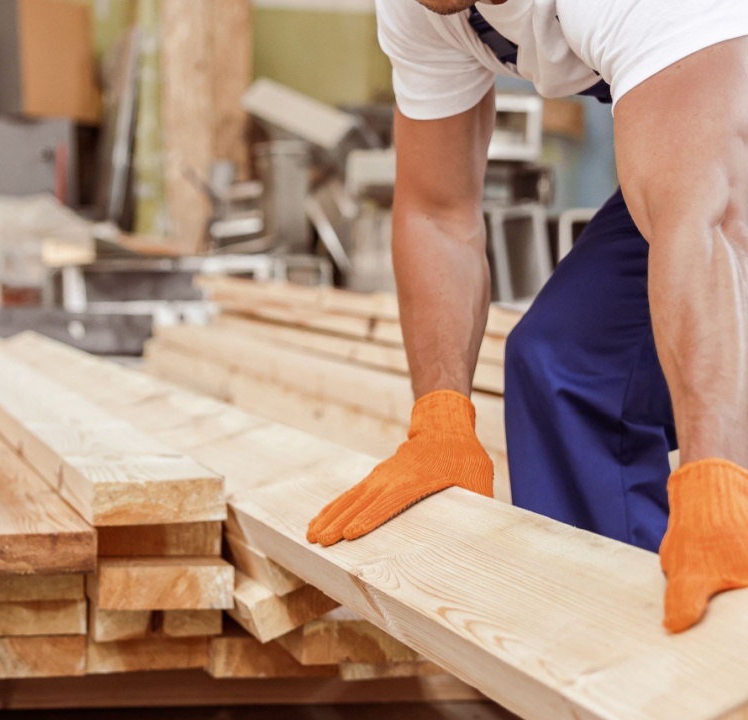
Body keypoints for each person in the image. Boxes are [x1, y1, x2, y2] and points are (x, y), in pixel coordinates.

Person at [305, 0, 748, 633]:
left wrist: (716, 481)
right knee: (565, 366)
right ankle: (618, 658)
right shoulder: (418, 9)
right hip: (717, 142)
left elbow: (718, 222)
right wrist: (440, 422)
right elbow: (436, 211)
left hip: (730, 130)